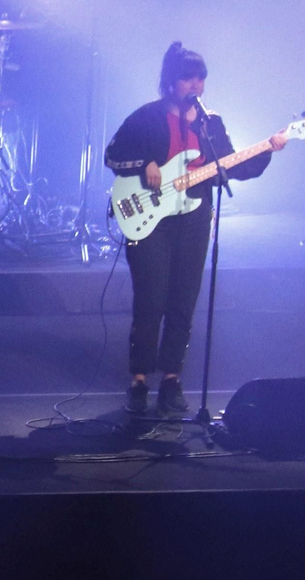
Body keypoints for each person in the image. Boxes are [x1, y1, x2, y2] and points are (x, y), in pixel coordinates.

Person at [104, 42, 287, 416]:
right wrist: (145, 164)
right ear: (171, 82)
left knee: (183, 301)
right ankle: (138, 381)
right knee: (150, 300)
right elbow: (112, 155)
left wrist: (269, 147)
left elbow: (232, 166)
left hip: (194, 218)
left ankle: (171, 379)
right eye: (189, 78)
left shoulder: (210, 123)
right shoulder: (146, 117)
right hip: (150, 220)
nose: (197, 86)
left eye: (201, 79)